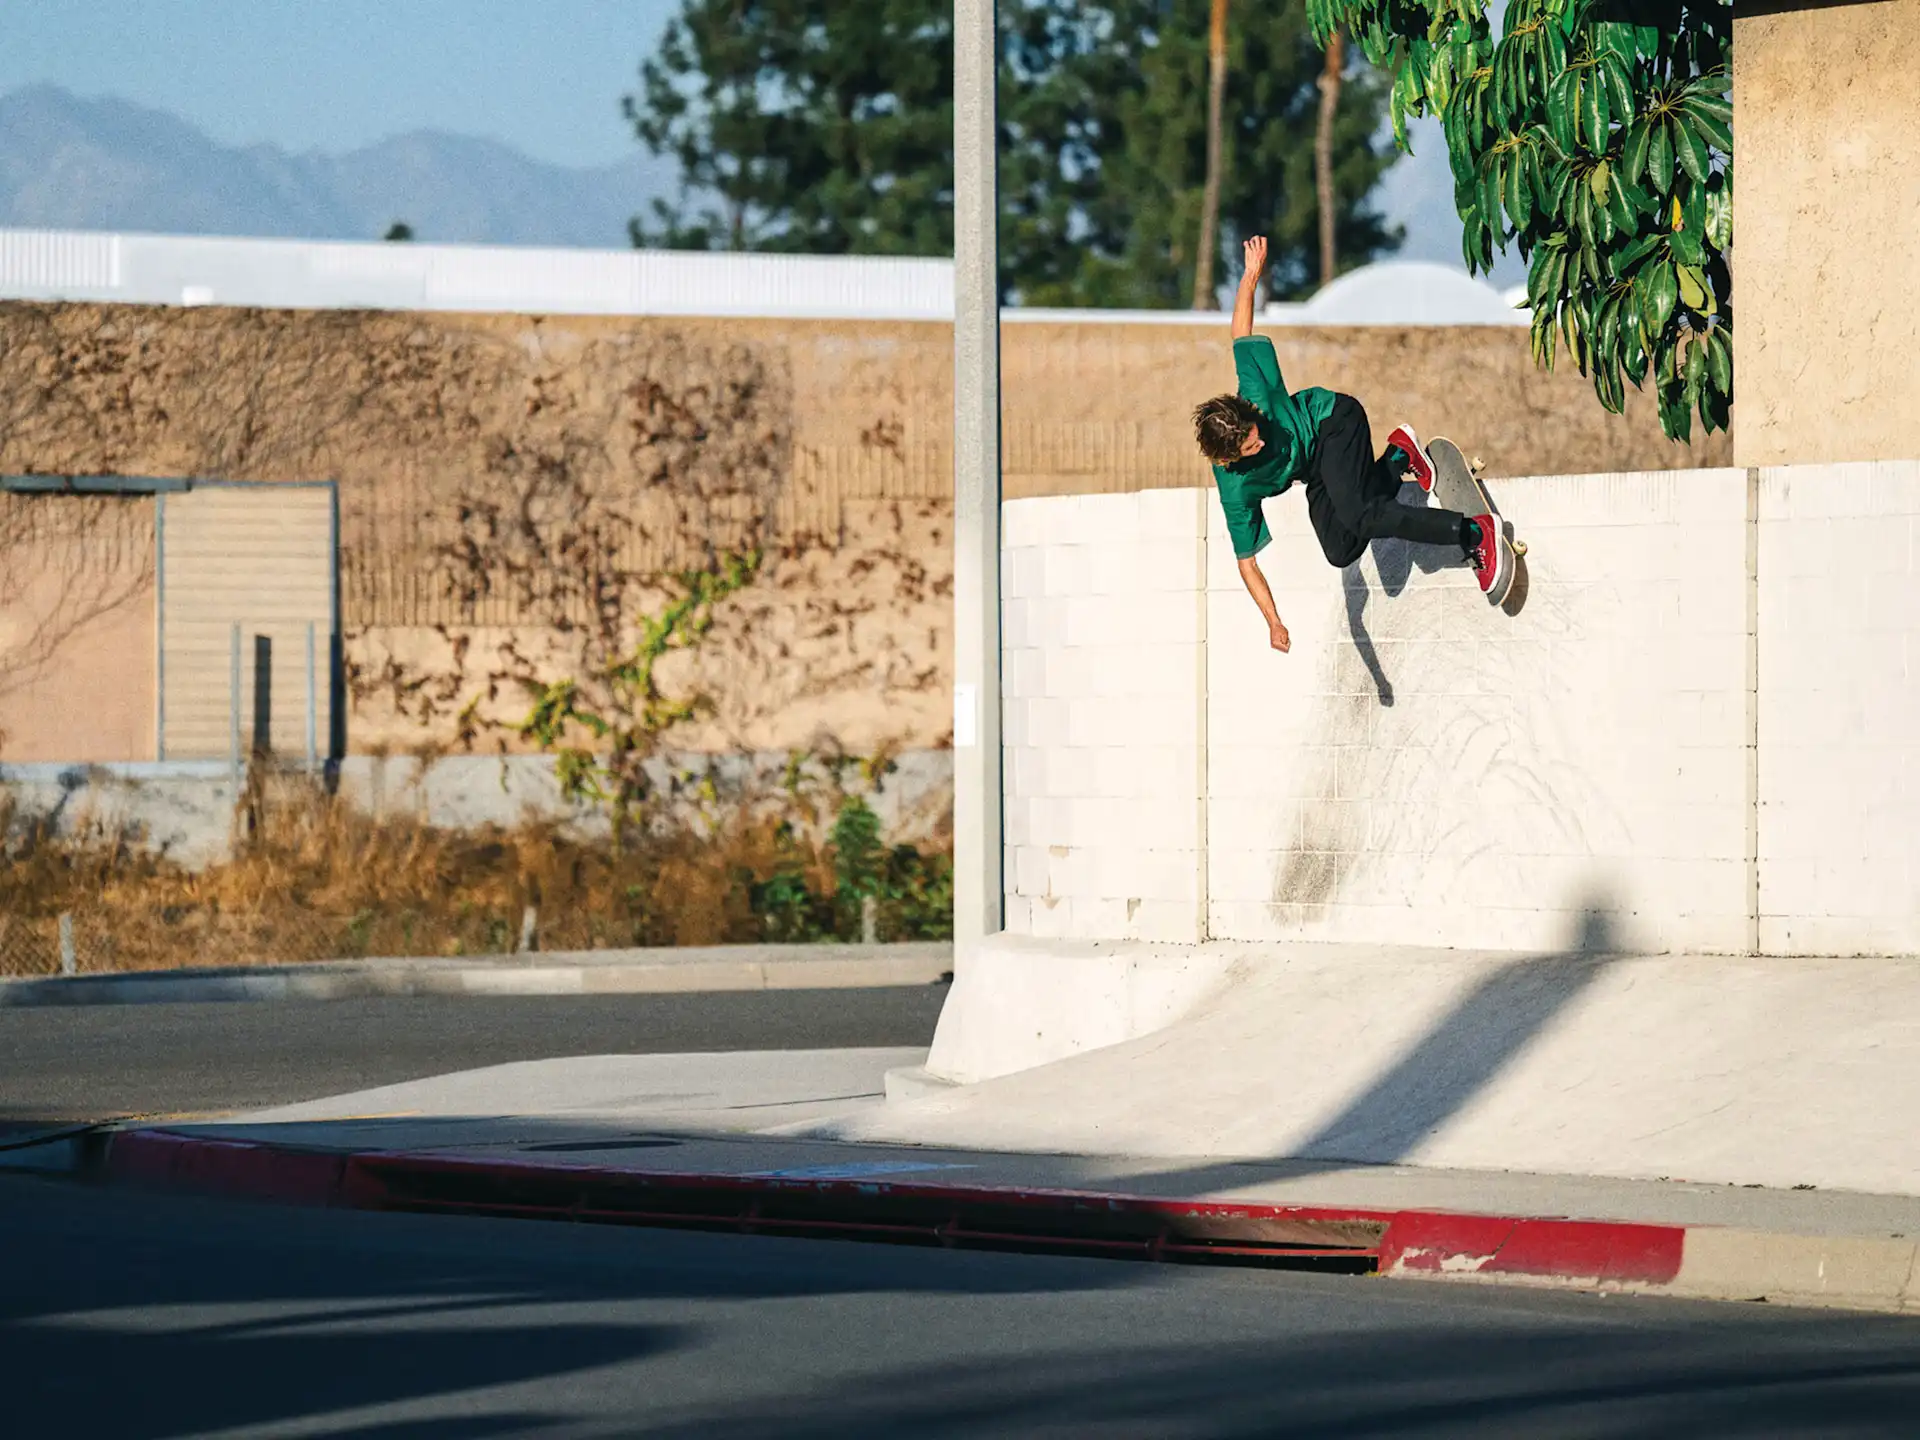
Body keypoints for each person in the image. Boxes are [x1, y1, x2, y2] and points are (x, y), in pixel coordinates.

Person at [1191, 235, 1509, 653]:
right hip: (1315, 471)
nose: (1262, 439)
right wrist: (1274, 622)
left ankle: (1472, 532)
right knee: (1341, 549)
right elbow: (1246, 565)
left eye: (1257, 431)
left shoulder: (1254, 395)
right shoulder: (1235, 490)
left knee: (1362, 515)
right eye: (1252, 447)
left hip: (1335, 422)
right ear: (1230, 459)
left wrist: (1251, 275)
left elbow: (1239, 332)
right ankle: (1398, 457)